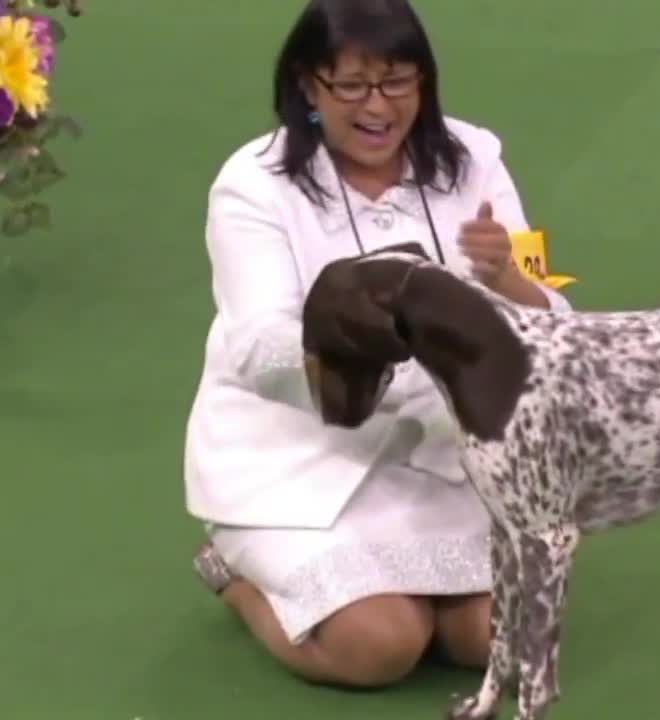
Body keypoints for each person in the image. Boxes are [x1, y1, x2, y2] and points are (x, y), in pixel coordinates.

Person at [183, 0, 571, 689]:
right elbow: (254, 344)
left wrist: (505, 278)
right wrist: (345, 364)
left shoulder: (473, 159)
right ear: (308, 85)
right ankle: (234, 574)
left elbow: (550, 331)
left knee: (500, 639)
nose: (379, 107)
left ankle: (414, 601)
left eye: (398, 82)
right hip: (300, 457)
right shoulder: (252, 186)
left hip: (442, 452)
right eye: (353, 86)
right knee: (379, 647)